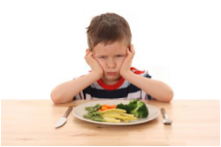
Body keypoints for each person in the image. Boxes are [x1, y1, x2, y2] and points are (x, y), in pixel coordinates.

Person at [51, 13, 173, 104]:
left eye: (119, 56)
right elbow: (56, 97)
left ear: (129, 51)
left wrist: (126, 73)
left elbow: (167, 95)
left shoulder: (138, 81)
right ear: (91, 56)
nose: (111, 64)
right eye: (103, 57)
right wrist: (96, 73)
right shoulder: (87, 83)